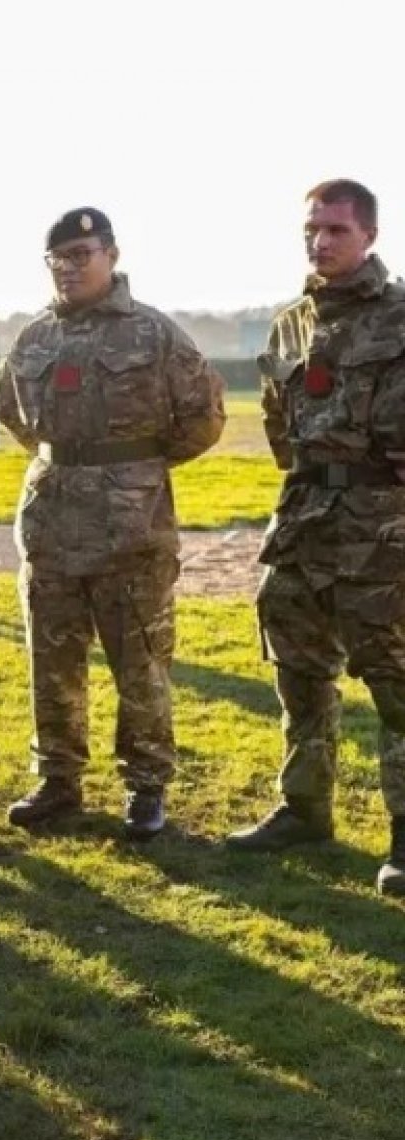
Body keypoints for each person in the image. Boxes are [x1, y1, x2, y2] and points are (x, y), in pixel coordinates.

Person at [0, 207, 225, 840]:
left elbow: (203, 417)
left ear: (112, 255)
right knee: (53, 660)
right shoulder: (34, 338)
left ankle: (146, 787)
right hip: (52, 525)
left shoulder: (154, 334)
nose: (70, 267)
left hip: (132, 531)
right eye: (59, 258)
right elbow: (9, 410)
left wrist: (134, 469)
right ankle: (58, 781)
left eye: (82, 254)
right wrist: (67, 462)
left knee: (141, 663)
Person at [227, 179, 405, 897]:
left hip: (381, 526)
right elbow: (279, 422)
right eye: (312, 229)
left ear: (367, 235)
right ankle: (305, 808)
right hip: (303, 518)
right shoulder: (289, 327)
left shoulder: (398, 321)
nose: (320, 241)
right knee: (299, 672)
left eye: (335, 229)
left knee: (395, 685)